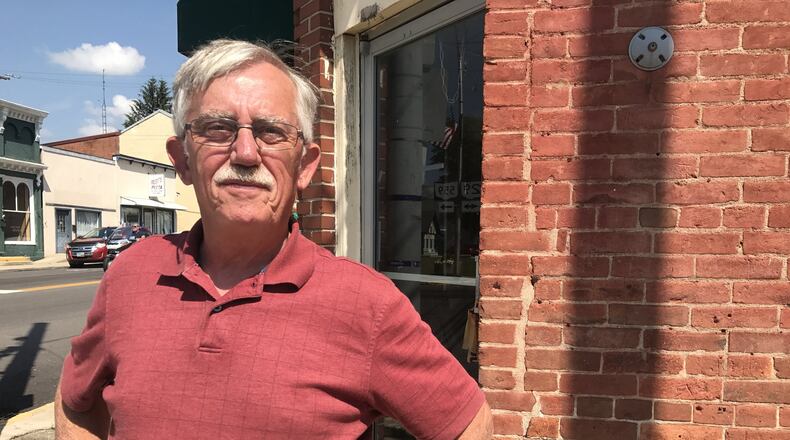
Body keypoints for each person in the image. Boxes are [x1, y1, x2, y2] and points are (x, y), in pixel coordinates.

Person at [55, 39, 492, 439]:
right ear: (182, 161)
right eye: (218, 130)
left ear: (304, 166)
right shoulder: (131, 274)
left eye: (271, 132)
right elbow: (75, 401)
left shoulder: (366, 303)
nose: (245, 153)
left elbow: (469, 426)